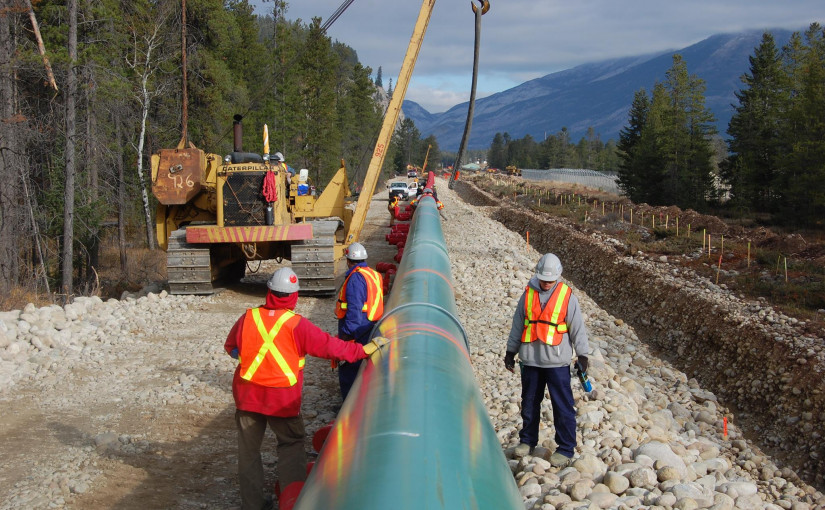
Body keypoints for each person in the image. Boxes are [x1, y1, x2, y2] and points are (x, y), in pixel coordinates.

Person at [225, 267, 389, 510]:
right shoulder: (297, 325)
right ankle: (292, 501)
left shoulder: (248, 317)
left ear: (269, 291)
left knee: (248, 452)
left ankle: (252, 504)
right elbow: (330, 347)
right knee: (290, 444)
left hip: (248, 396)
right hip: (282, 400)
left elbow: (231, 347)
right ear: (294, 296)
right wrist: (362, 350)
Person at [504, 253, 590, 468]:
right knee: (529, 403)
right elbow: (518, 324)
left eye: (550, 280)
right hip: (531, 360)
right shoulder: (528, 294)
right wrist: (510, 351)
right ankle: (527, 441)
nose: (546, 283)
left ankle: (566, 448)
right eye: (543, 279)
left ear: (558, 276)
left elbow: (577, 328)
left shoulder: (567, 296)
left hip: (557, 363)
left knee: (563, 406)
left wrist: (583, 355)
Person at [334, 242, 385, 400]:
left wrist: (346, 335)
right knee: (364, 369)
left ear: (348, 260)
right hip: (371, 326)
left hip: (356, 331)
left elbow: (354, 309)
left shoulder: (355, 278)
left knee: (349, 369)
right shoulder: (374, 274)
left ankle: (348, 406)